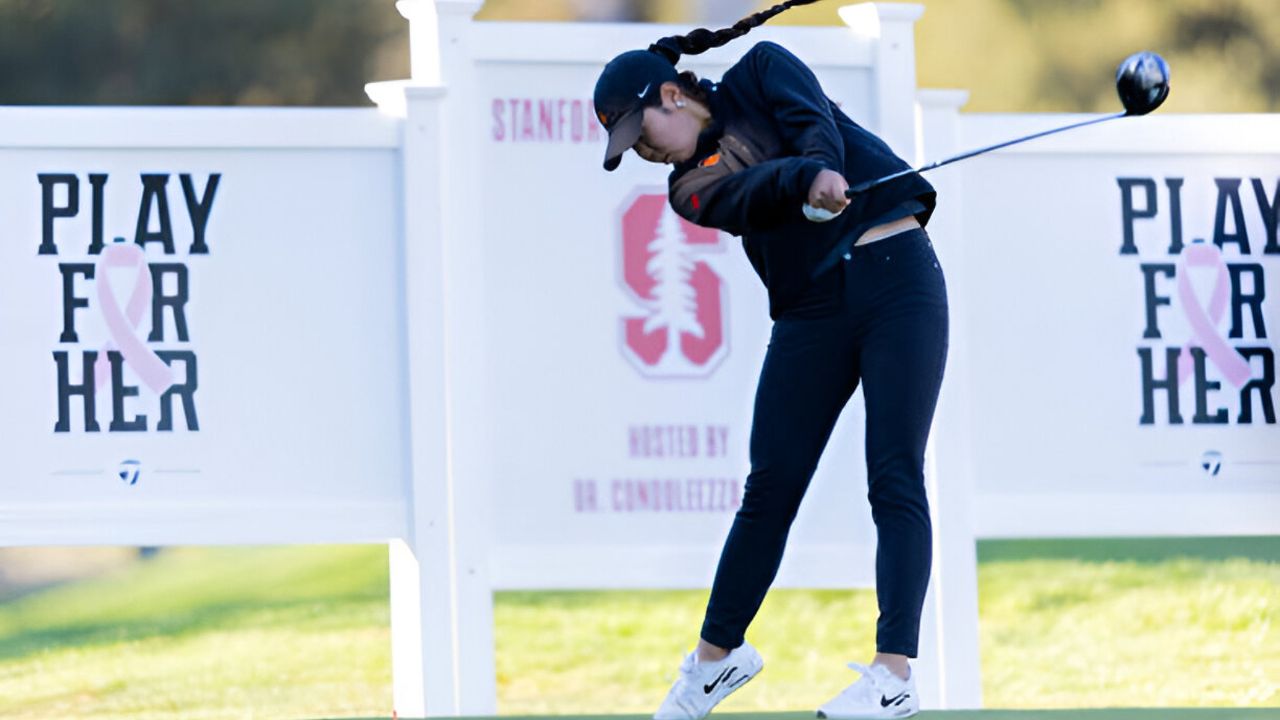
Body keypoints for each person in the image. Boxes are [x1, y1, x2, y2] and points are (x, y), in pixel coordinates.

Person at [592, 2, 948, 719]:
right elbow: (751, 190)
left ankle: (893, 678)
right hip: (813, 312)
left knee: (894, 473)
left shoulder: (763, 68)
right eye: (630, 146)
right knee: (770, 488)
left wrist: (820, 167)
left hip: (897, 280)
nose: (644, 151)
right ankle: (715, 664)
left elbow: (812, 123)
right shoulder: (689, 191)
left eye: (642, 133)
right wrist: (802, 183)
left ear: (671, 95)